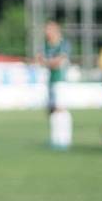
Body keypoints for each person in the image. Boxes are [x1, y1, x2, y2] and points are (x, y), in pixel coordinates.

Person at [35, 21, 71, 150]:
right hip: (50, 81)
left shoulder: (63, 44)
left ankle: (64, 140)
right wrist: (48, 62)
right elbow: (39, 60)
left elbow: (58, 62)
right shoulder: (46, 45)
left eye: (49, 29)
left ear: (56, 30)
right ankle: (55, 139)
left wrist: (46, 62)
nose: (47, 32)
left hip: (60, 80)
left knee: (60, 109)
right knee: (51, 111)